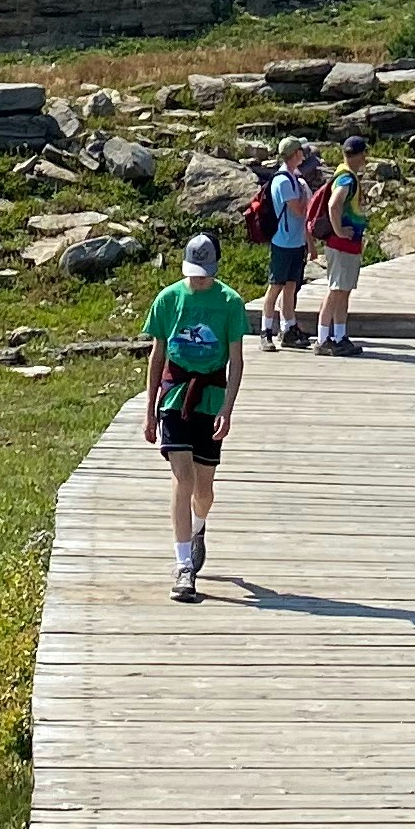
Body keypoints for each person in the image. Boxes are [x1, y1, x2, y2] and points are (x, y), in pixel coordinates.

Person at [142, 233, 251, 602]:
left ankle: (199, 526)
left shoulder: (230, 302)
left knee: (203, 491)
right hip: (174, 396)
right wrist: (149, 411)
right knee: (182, 478)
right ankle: (184, 566)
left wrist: (228, 408)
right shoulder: (168, 299)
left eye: (205, 273)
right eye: (194, 273)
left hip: (210, 397)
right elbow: (157, 357)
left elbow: (236, 360)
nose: (199, 279)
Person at [312, 135, 373, 354]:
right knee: (336, 290)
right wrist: (339, 230)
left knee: (343, 290)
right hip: (341, 244)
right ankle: (323, 339)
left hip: (347, 244)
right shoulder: (347, 179)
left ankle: (339, 336)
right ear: (359, 155)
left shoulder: (343, 174)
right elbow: (334, 204)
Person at [260, 138, 317, 348]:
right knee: (275, 287)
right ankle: (266, 331)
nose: (304, 155)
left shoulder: (294, 178)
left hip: (296, 242)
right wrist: (305, 194)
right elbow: (298, 210)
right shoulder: (283, 181)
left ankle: (289, 328)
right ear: (294, 154)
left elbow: (302, 216)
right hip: (283, 243)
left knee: (291, 287)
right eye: (301, 152)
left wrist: (309, 243)